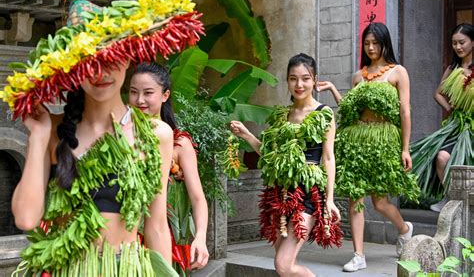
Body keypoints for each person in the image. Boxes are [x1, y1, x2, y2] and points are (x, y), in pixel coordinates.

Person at [3, 0, 205, 275]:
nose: (101, 73)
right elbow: (26, 218)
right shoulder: (55, 131)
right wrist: (38, 135)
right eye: (90, 61)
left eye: (110, 58)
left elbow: (156, 224)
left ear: (126, 58)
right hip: (67, 269)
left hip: (128, 267)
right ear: (75, 68)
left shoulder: (157, 134)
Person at [230, 53, 343, 277]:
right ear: (287, 81)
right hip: (281, 195)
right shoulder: (283, 115)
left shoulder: (324, 114)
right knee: (282, 265)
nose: (299, 84)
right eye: (293, 78)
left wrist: (330, 200)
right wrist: (247, 135)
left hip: (309, 195)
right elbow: (271, 156)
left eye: (305, 78)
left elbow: (328, 158)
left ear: (314, 80)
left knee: (284, 265)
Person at [320, 22, 420, 272]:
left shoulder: (398, 72)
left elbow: (405, 111)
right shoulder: (359, 75)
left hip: (383, 139)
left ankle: (405, 229)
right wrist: (333, 89)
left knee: (379, 202)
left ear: (385, 43)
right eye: (367, 43)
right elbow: (350, 110)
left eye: (376, 43)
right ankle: (358, 254)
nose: (371, 47)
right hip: (357, 140)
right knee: (356, 198)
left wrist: (405, 148)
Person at [128, 62, 209, 275]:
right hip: (125, 240)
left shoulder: (179, 143)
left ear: (165, 96)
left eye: (148, 93)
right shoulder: (121, 135)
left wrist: (200, 237)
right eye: (133, 92)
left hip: (166, 241)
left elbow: (197, 197)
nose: (139, 100)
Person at [411, 23, 474, 212]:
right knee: (442, 157)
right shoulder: (453, 67)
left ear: (473, 42)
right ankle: (450, 199)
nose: (458, 47)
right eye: (454, 43)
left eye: (462, 42)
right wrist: (451, 108)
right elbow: (438, 93)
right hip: (457, 125)